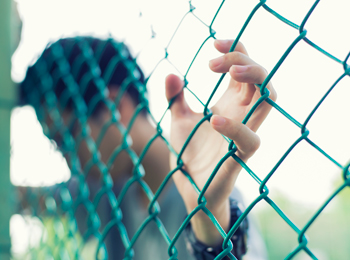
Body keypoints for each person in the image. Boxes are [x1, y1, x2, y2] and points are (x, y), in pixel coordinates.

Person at [20, 36, 275, 259]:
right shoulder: (107, 190)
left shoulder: (216, 191)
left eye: (66, 138)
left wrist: (208, 217)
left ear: (112, 108)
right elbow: (25, 199)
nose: (66, 156)